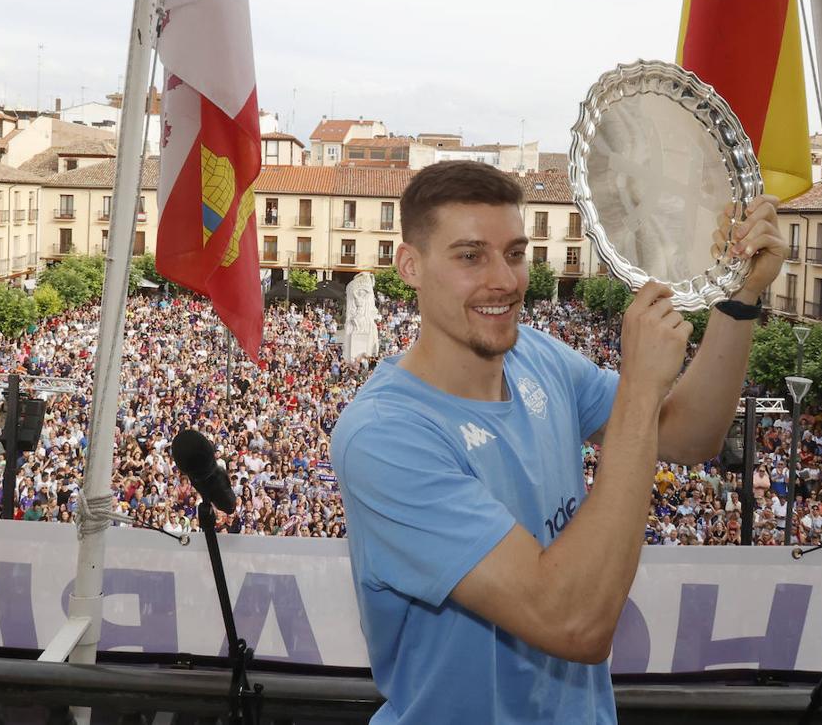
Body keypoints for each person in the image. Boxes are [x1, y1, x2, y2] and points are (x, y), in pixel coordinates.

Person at [333, 161, 785, 722]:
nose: (504, 279)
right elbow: (573, 622)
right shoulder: (384, 435)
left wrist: (737, 302)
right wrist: (640, 390)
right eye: (471, 256)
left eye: (515, 253)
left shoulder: (539, 357)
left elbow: (691, 437)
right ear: (410, 265)